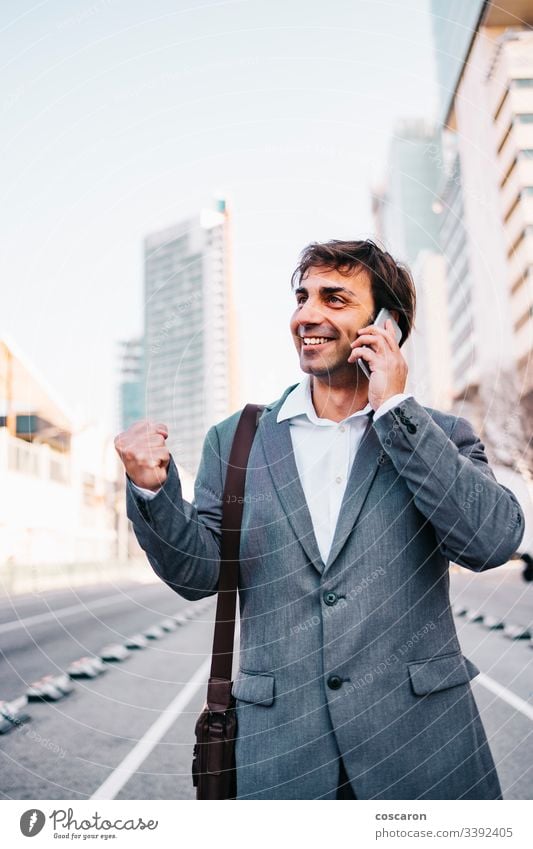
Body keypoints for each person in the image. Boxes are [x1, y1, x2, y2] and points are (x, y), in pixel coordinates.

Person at [115, 239, 525, 800]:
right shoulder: (236, 440)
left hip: (422, 751)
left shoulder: (439, 435)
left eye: (334, 299)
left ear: (387, 325)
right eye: (302, 297)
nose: (308, 314)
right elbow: (199, 574)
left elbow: (491, 541)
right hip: (283, 754)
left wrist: (396, 412)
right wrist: (151, 490)